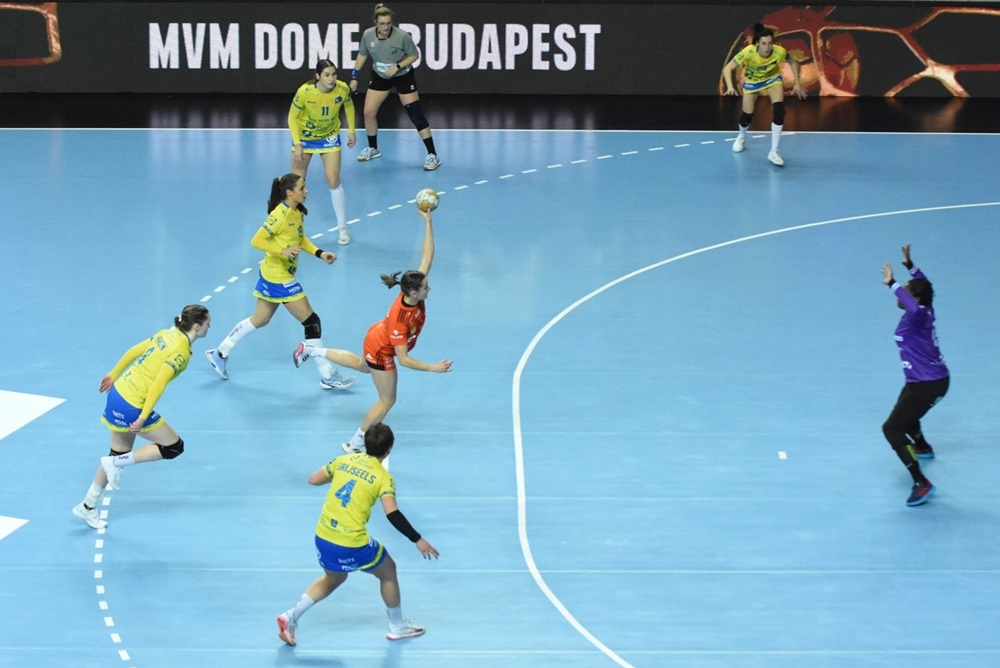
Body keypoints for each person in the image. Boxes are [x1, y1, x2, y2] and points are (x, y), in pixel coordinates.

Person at [291, 207, 452, 453]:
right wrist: (434, 368)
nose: (429, 288)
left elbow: (427, 256)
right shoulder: (401, 319)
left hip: (376, 335)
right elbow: (404, 360)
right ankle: (355, 443)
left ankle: (313, 350)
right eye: (426, 287)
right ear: (414, 292)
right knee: (387, 400)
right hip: (382, 349)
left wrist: (428, 222)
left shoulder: (412, 290)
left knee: (362, 366)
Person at [275, 423, 439, 645]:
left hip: (323, 535)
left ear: (365, 444)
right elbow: (392, 513)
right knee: (388, 570)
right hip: (350, 542)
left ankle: (290, 616)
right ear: (389, 449)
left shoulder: (342, 461)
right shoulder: (383, 477)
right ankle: (397, 627)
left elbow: (313, 480)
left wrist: (341, 474)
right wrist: (417, 539)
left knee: (334, 578)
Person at [205, 174, 356, 390]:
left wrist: (320, 253)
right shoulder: (279, 215)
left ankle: (220, 353)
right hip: (279, 277)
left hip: (274, 273)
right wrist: (282, 250)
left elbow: (300, 239)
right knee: (311, 322)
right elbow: (257, 240)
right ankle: (327, 374)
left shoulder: (297, 212)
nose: (306, 191)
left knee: (260, 319)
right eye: (302, 188)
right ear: (289, 192)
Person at [72, 305, 212, 530]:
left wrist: (113, 374)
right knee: (173, 447)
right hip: (133, 405)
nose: (209, 327)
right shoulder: (181, 352)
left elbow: (134, 350)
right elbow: (159, 383)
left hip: (118, 393)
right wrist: (143, 416)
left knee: (117, 452)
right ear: (197, 326)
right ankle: (116, 463)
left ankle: (87, 506)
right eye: (207, 323)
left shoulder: (167, 333)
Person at [880, 244, 949, 507]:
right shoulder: (925, 307)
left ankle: (921, 482)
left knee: (892, 428)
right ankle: (922, 447)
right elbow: (925, 285)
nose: (902, 296)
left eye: (907, 292)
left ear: (916, 299)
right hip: (920, 380)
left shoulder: (919, 315)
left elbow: (911, 300)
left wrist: (893, 283)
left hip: (929, 384)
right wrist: (910, 266)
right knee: (906, 418)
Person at [349, 3, 441, 171]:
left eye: (388, 23)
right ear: (376, 23)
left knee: (415, 114)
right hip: (380, 76)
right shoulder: (368, 35)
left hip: (403, 76)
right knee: (368, 112)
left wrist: (397, 67)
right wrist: (355, 76)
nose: (386, 27)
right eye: (382, 23)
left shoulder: (402, 36)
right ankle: (373, 148)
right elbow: (362, 54)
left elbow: (414, 55)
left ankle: (433, 155)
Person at [289, 59, 356, 246]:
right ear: (318, 76)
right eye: (327, 75)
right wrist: (298, 144)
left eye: (333, 74)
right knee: (297, 183)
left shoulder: (342, 89)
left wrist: (351, 130)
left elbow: (349, 106)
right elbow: (292, 116)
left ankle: (342, 227)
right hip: (305, 138)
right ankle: (293, 228)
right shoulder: (305, 92)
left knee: (333, 179)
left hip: (329, 137)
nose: (331, 78)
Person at [722, 22, 806, 167]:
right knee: (747, 116)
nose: (767, 47)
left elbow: (792, 61)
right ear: (757, 44)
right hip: (752, 82)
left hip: (772, 79)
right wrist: (730, 86)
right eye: (764, 43)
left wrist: (797, 83)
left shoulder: (779, 52)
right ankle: (742, 136)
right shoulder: (749, 51)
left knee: (779, 110)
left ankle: (774, 151)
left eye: (770, 43)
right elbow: (727, 68)